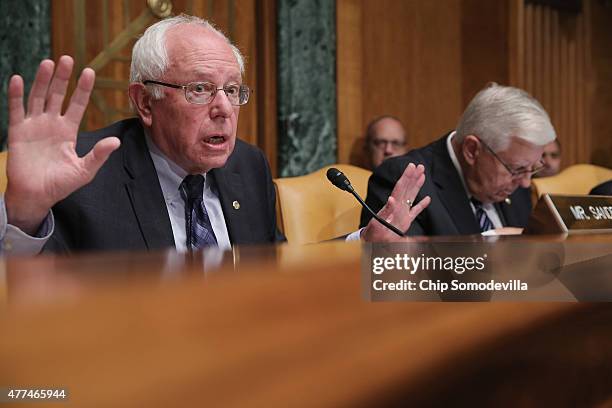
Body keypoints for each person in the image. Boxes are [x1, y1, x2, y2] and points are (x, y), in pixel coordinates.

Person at [1, 15, 430, 255]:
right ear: (146, 103)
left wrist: (363, 244)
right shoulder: (84, 173)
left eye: (232, 89)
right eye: (200, 89)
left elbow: (274, 268)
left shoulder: (247, 166)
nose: (224, 107)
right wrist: (22, 217)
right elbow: (29, 299)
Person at [360, 84, 556, 236]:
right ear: (472, 150)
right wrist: (489, 244)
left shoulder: (517, 184)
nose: (526, 182)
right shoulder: (404, 180)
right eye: (517, 169)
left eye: (533, 168)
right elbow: (394, 274)